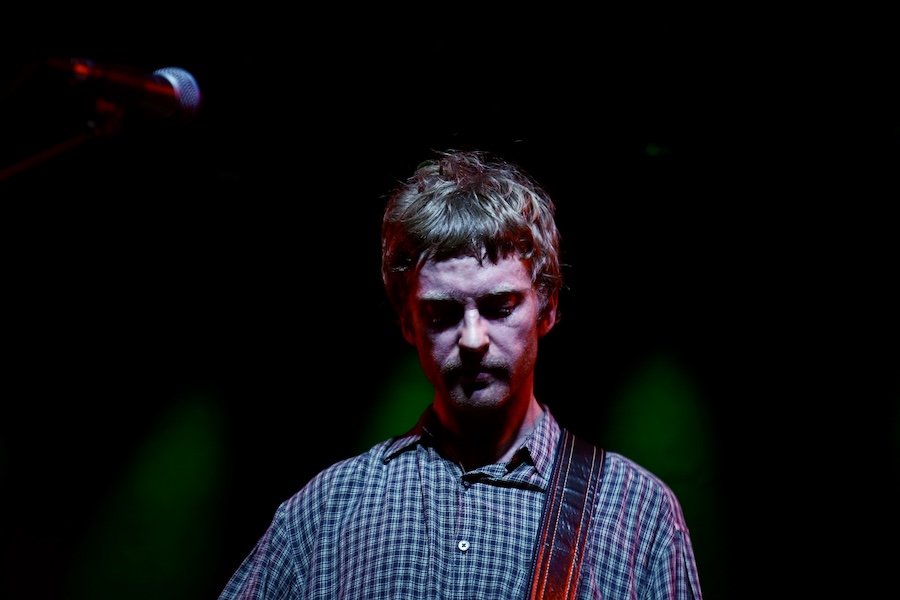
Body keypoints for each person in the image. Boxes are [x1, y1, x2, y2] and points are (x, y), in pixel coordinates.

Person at [217, 148, 704, 599]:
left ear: (548, 308)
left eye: (499, 306)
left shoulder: (637, 512)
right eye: (442, 313)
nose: (472, 339)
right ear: (407, 323)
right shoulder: (326, 509)